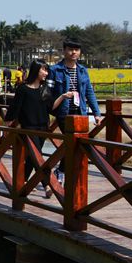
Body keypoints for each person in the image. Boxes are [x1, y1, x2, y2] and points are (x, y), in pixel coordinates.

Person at [48, 38, 102, 182]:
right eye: (70, 49)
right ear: (64, 51)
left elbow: (89, 92)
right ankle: (62, 171)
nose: (74, 52)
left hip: (80, 112)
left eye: (76, 50)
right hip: (63, 113)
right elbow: (48, 93)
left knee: (76, 144)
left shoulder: (83, 70)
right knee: (72, 142)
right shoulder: (54, 70)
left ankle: (62, 170)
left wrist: (96, 113)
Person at [4, 59, 55, 197]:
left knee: (33, 157)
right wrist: (8, 120)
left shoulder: (45, 89)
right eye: (43, 69)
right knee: (38, 157)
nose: (46, 73)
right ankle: (47, 185)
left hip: (43, 127)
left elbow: (51, 108)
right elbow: (16, 106)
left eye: (46, 70)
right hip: (29, 128)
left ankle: (24, 180)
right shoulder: (23, 89)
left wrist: (62, 97)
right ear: (35, 70)